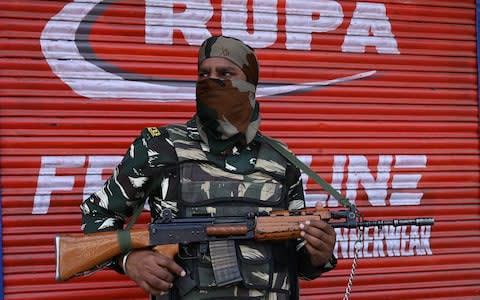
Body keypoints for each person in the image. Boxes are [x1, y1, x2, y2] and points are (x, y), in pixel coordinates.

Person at [81, 35, 337, 300]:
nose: (211, 81)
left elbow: (299, 263)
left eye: (226, 73)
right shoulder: (161, 147)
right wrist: (128, 259)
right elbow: (96, 215)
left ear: (249, 84)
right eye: (204, 74)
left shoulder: (280, 158)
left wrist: (317, 253)